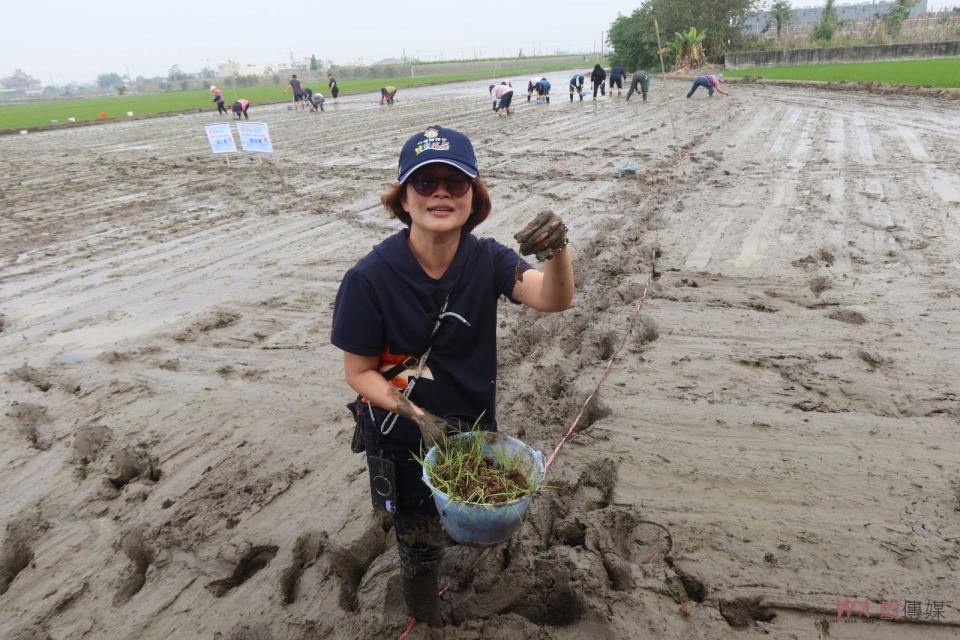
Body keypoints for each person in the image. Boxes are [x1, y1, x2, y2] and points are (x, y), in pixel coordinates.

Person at [331, 125, 573, 628]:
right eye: (424, 182)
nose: (440, 192)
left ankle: (414, 536)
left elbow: (554, 299)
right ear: (403, 199)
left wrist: (557, 252)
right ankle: (426, 616)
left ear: (473, 196)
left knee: (464, 519)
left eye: (455, 182)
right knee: (418, 543)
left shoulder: (487, 260)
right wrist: (416, 414)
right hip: (401, 437)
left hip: (471, 428)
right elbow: (358, 372)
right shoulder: (368, 279)